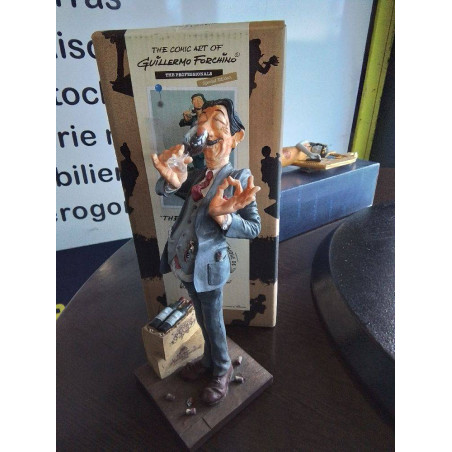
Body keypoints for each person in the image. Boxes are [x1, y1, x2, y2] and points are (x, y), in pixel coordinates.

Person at [151, 98, 261, 405]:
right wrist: (170, 182)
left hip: (209, 267)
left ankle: (222, 368)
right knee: (200, 317)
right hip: (185, 263)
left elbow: (254, 227)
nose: (206, 129)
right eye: (201, 122)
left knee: (213, 320)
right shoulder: (198, 175)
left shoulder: (238, 178)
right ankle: (209, 361)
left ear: (235, 137)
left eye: (218, 123)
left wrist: (223, 217)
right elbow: (166, 186)